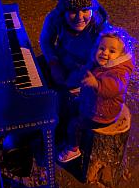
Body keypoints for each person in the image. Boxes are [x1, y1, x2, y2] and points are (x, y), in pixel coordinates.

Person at [39, 0, 110, 141]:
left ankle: (70, 132)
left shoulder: (99, 24)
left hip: (87, 67)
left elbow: (107, 54)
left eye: (85, 10)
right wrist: (54, 62)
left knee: (73, 103)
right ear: (64, 10)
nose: (80, 17)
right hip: (63, 61)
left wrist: (86, 72)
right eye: (73, 11)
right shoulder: (54, 18)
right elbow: (46, 41)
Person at [58, 27, 135, 162]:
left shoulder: (120, 71)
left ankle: (73, 149)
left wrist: (97, 84)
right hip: (92, 103)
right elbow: (87, 73)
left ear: (121, 55)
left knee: (74, 125)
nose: (105, 53)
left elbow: (114, 87)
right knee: (70, 106)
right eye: (102, 48)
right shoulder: (99, 63)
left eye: (112, 51)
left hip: (102, 114)